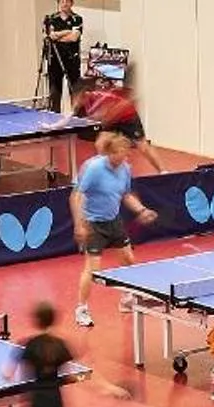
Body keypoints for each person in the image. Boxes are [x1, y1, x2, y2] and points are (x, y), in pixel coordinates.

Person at [70, 134, 155, 329]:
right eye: (122, 153)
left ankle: (126, 299)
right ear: (110, 153)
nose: (126, 157)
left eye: (127, 153)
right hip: (93, 223)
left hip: (113, 221)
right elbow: (77, 196)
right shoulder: (94, 169)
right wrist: (80, 224)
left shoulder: (125, 168)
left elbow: (125, 195)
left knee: (129, 261)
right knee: (93, 270)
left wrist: (141, 209)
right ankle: (81, 310)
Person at [75, 76, 161, 172]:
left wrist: (103, 119)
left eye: (78, 97)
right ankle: (104, 172)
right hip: (113, 120)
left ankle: (163, 171)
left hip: (128, 117)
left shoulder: (101, 99)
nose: (77, 100)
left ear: (85, 94)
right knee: (100, 144)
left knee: (142, 146)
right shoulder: (86, 103)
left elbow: (125, 104)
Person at [40, 0, 85, 111]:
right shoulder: (52, 19)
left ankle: (78, 120)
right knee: (55, 93)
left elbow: (74, 37)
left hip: (72, 60)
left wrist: (59, 36)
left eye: (67, 1)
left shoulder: (77, 19)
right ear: (58, 3)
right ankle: (54, 119)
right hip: (55, 60)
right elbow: (52, 36)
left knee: (75, 91)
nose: (64, 4)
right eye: (62, 1)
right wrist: (67, 32)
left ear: (71, 3)